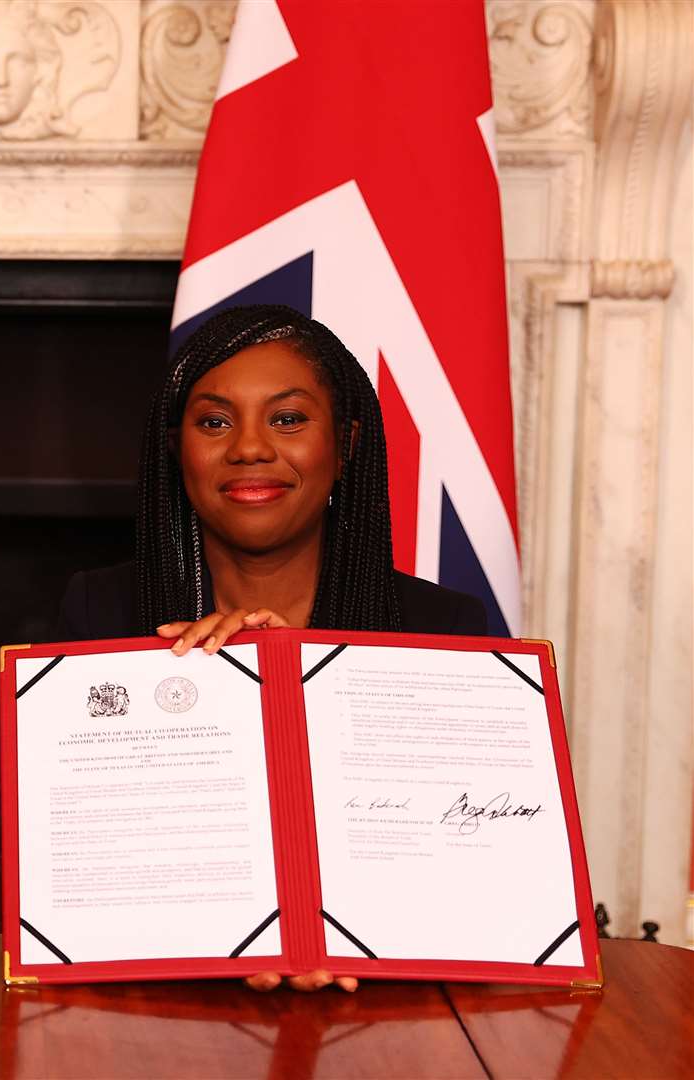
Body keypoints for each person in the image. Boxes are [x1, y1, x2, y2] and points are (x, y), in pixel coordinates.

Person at [60, 303, 486, 990]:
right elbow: (86, 855)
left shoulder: (447, 628)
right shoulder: (102, 612)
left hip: (389, 1004)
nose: (250, 448)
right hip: (163, 999)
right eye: (214, 422)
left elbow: (475, 871)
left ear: (345, 444)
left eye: (287, 419)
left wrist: (299, 689)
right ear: (177, 449)